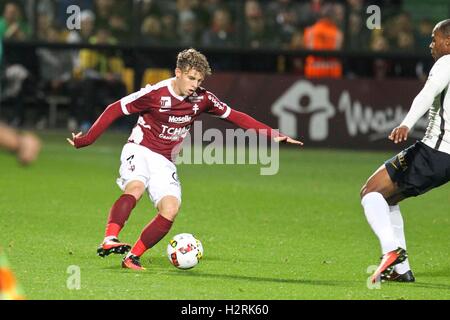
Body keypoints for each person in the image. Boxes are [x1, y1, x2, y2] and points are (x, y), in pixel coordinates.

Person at [67, 48, 302, 270]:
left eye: (199, 81)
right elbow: (114, 109)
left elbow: (236, 117)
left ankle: (133, 256)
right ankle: (110, 238)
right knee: (136, 187)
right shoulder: (154, 94)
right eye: (191, 79)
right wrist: (86, 140)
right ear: (177, 72)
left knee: (170, 209)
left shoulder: (203, 99)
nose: (195, 85)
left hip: (165, 160)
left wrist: (273, 134)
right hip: (139, 148)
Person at [360, 19, 450, 283]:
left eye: (434, 40)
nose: (431, 45)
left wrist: (406, 123)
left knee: (370, 191)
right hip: (445, 159)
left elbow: (427, 93)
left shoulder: (446, 62)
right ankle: (402, 270)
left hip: (437, 150)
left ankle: (391, 250)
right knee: (389, 198)